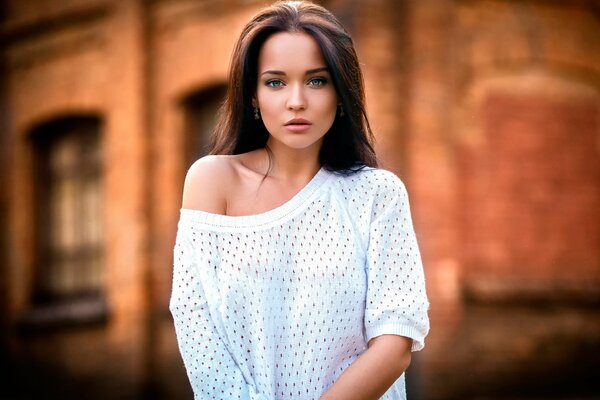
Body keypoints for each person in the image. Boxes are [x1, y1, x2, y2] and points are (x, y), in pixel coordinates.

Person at [169, 1, 429, 399]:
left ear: (341, 93)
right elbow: (196, 325)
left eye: (316, 81)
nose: (296, 101)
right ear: (252, 96)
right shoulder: (211, 180)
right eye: (275, 82)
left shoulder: (378, 194)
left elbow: (395, 343)